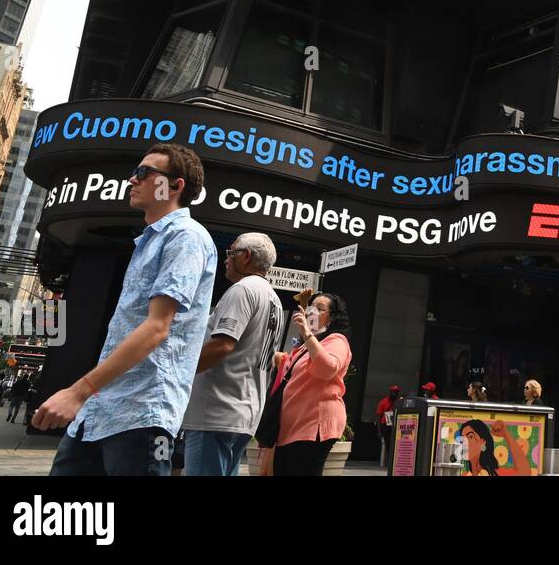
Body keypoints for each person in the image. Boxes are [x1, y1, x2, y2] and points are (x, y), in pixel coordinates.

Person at [39, 144, 217, 477]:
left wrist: (77, 392)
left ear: (176, 186)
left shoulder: (185, 237)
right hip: (100, 412)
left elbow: (156, 328)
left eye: (145, 173)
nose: (131, 179)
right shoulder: (150, 241)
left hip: (144, 416)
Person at [181, 232, 285, 476]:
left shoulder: (242, 290)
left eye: (231, 253)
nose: (226, 259)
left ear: (245, 256)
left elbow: (222, 345)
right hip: (243, 413)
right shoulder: (274, 299)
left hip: (216, 412)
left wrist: (179, 373)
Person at [260, 293, 351, 477]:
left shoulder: (337, 340)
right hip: (291, 428)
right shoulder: (306, 345)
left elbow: (328, 368)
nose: (312, 311)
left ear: (332, 317)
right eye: (311, 306)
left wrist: (306, 332)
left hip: (313, 427)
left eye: (320, 308)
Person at [455, 418, 533, 476]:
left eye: (470, 437)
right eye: (463, 439)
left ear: (483, 442)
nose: (465, 442)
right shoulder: (464, 474)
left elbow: (525, 472)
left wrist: (506, 434)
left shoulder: (496, 473)